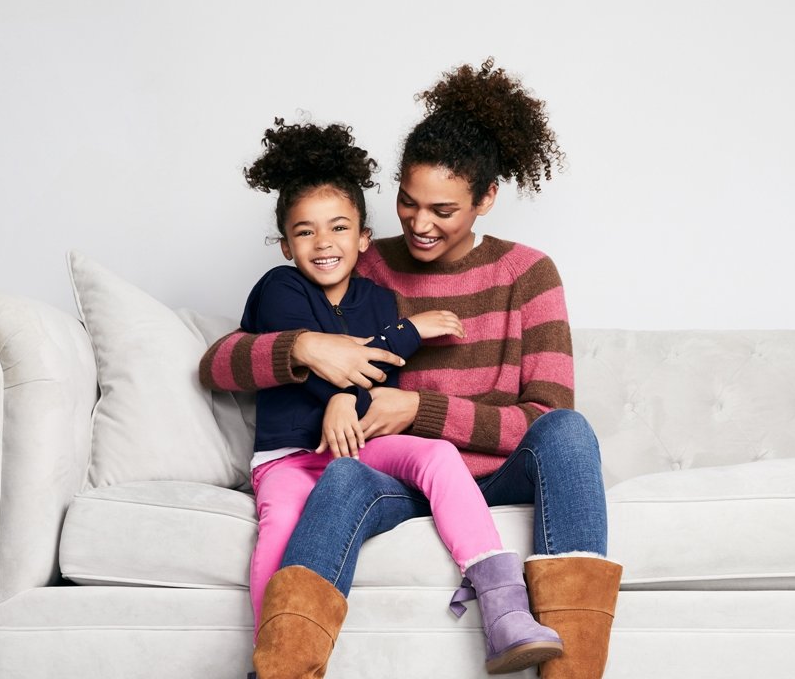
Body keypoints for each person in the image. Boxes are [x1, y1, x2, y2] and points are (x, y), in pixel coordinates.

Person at [201, 59, 622, 679]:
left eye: (443, 210)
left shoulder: (528, 274)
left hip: (493, 473)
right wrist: (307, 349)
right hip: (394, 476)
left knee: (570, 432)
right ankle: (282, 669)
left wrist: (417, 410)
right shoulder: (361, 260)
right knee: (342, 477)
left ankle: (570, 671)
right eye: (407, 202)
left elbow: (543, 417)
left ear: (485, 199)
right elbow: (219, 362)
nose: (421, 225)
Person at [235, 117, 563, 674]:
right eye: (305, 232)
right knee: (282, 523)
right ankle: (274, 656)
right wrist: (402, 337)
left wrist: (362, 387)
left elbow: (379, 371)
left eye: (339, 228)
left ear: (362, 239)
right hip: (290, 455)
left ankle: (505, 608)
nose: (324, 243)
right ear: (285, 244)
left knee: (437, 454)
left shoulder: (379, 296)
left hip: (361, 444)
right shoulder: (280, 287)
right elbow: (296, 359)